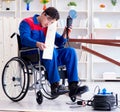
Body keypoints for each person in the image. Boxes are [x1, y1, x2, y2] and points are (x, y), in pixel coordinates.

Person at [19, 7, 88, 97]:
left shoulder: (48, 27)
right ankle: (55, 86)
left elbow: (60, 43)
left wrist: (64, 34)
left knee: (71, 51)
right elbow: (24, 39)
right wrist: (37, 43)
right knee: (51, 52)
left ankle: (73, 86)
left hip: (50, 54)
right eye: (49, 21)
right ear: (44, 14)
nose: (49, 24)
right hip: (33, 54)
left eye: (52, 23)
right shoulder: (26, 22)